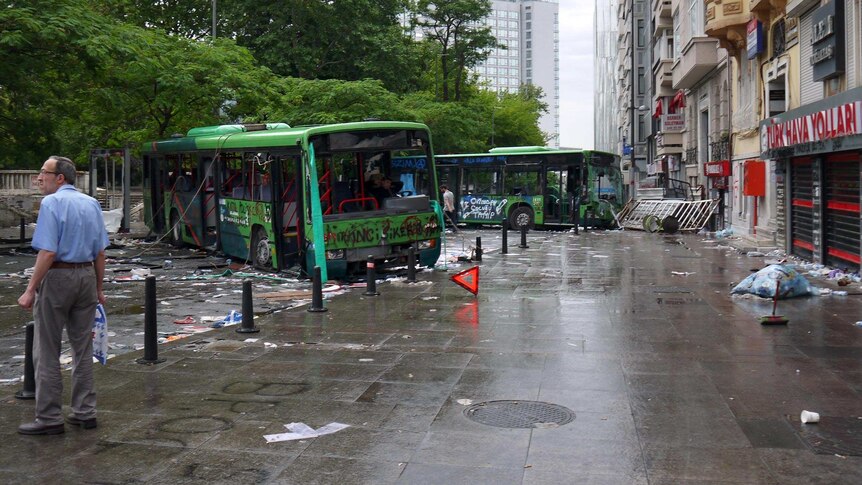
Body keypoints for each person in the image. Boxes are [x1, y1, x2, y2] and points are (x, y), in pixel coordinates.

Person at [17, 156, 109, 435]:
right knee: (82, 349)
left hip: (58, 277)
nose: (38, 178)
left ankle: (49, 417)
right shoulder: (91, 203)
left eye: (43, 173)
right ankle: (84, 412)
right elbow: (101, 252)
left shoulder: (51, 203)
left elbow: (48, 252)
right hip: (86, 276)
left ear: (60, 178)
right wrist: (99, 287)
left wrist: (30, 289)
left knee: (46, 349)